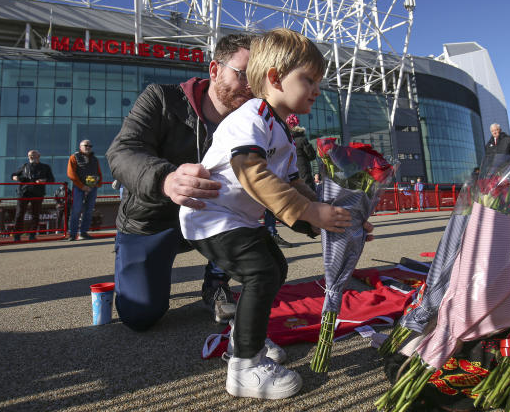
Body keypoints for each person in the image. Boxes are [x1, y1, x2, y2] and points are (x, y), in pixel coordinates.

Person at [180, 28, 372, 400]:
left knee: (274, 268)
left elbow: (296, 186)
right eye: (309, 80)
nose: (317, 89)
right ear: (274, 78)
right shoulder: (251, 116)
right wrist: (310, 211)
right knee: (261, 271)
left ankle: (244, 339)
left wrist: (337, 220)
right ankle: (244, 368)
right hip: (211, 217)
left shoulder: (279, 128)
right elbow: (251, 171)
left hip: (234, 218)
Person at [106, 33, 254, 328]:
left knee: (261, 247)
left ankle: (216, 280)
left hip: (215, 220)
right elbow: (122, 152)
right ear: (214, 70)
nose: (252, 86)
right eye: (244, 74)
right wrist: (167, 180)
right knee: (140, 316)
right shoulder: (161, 98)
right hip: (153, 219)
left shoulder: (255, 119)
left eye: (259, 77)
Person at [11, 150, 55, 241]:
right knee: (19, 213)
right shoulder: (24, 166)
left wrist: (44, 181)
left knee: (36, 214)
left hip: (38, 193)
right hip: (24, 192)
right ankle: (17, 235)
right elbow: (13, 175)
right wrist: (15, 177)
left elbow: (52, 179)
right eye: (30, 155)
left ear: (39, 156)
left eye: (34, 155)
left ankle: (32, 234)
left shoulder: (45, 167)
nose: (31, 157)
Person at [67, 140, 102, 241]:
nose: (88, 147)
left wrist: (98, 183)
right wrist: (82, 186)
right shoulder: (74, 157)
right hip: (79, 187)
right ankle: (73, 234)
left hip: (92, 187)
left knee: (89, 211)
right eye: (86, 145)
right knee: (76, 210)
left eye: (90, 146)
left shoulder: (95, 159)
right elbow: (71, 174)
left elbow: (99, 172)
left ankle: (84, 232)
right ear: (80, 146)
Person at [286, 113, 317, 190]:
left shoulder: (285, 140)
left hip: (290, 175)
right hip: (304, 174)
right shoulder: (302, 139)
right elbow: (312, 156)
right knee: (309, 195)